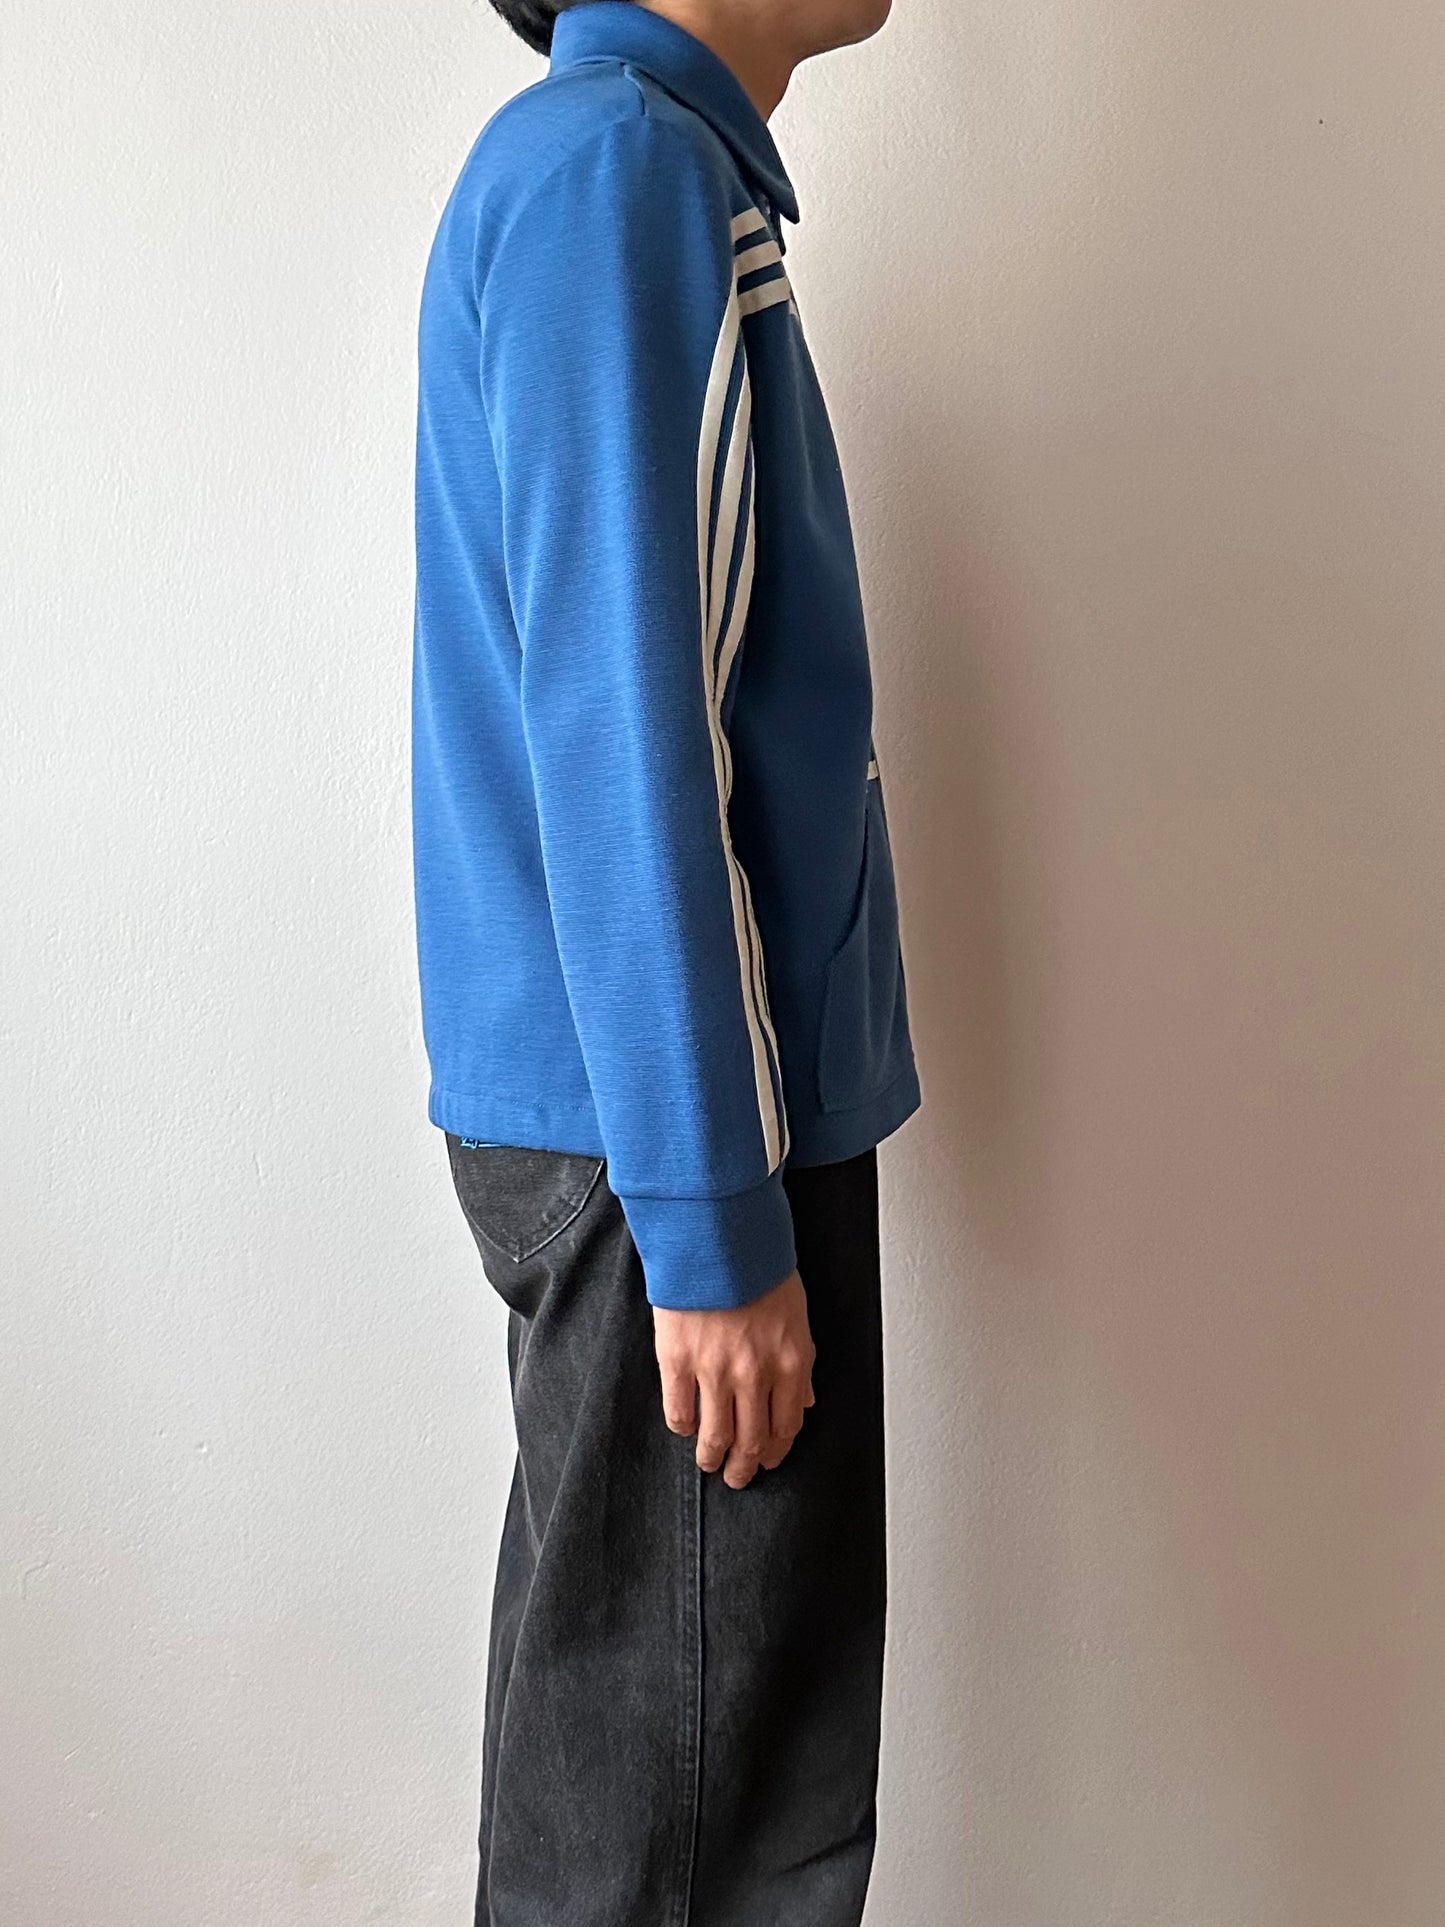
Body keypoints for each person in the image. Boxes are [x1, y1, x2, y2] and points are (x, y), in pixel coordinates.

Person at [410, 0, 921, 1919]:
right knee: (687, 1841)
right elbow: (626, 728)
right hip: (674, 1151)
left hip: (681, 1125)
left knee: (668, 1801)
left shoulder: (640, 166)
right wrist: (709, 1225)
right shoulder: (617, 172)